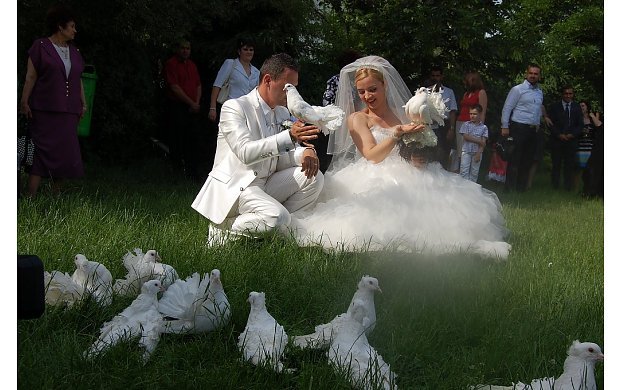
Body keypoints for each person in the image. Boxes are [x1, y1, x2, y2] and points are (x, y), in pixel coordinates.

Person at [291, 56, 511, 259]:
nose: (367, 96)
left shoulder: (405, 112)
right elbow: (372, 155)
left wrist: (420, 154)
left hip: (411, 170)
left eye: (373, 89)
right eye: (361, 92)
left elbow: (426, 142)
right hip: (373, 174)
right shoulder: (358, 119)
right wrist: (396, 135)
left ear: (385, 85)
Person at [191, 53, 324, 245]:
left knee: (314, 176)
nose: (293, 94)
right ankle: (223, 230)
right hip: (239, 187)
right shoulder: (234, 107)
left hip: (266, 182)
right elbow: (245, 153)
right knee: (276, 218)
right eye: (289, 88)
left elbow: (280, 157)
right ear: (268, 80)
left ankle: (283, 235)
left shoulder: (282, 112)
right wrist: (289, 136)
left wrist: (304, 153)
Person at [19, 4, 86, 197]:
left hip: (69, 111)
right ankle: (30, 195)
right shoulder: (40, 46)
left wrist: (83, 103)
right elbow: (30, 77)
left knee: (65, 153)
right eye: (72, 26)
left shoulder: (74, 51)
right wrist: (24, 102)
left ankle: (56, 195)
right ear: (60, 26)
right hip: (44, 109)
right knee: (40, 152)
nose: (75, 30)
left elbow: (77, 78)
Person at [500, 63, 546, 192]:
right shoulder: (517, 89)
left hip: (533, 130)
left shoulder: (539, 92)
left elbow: (537, 110)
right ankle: (508, 189)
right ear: (526, 74)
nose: (533, 76)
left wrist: (538, 124)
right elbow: (507, 108)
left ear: (539, 76)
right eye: (531, 73)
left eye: (535, 74)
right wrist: (505, 126)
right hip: (518, 127)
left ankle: (521, 189)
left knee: (527, 160)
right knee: (514, 158)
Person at [317, 49, 362, 173]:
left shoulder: (337, 80)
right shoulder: (340, 80)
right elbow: (327, 102)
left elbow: (326, 101)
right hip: (342, 122)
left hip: (349, 120)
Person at [163, 38, 203, 180]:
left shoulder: (192, 65)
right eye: (183, 48)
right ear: (177, 49)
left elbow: (198, 85)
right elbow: (174, 87)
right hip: (177, 107)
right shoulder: (171, 64)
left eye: (188, 48)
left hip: (193, 108)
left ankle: (193, 172)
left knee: (193, 140)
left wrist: (196, 103)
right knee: (177, 140)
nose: (185, 51)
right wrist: (191, 103)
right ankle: (177, 173)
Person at [208, 37, 260, 123]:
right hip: (231, 109)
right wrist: (212, 108)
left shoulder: (256, 72)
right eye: (245, 49)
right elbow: (217, 85)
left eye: (251, 50)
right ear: (239, 51)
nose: (249, 52)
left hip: (249, 112)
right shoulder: (230, 64)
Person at [546, 86, 583, 190]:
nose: (568, 95)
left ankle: (568, 187)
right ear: (562, 94)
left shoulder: (576, 107)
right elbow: (550, 124)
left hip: (571, 140)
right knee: (556, 164)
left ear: (573, 95)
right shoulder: (554, 106)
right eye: (566, 93)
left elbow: (580, 125)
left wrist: (573, 134)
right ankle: (555, 186)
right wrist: (559, 134)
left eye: (570, 94)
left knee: (569, 165)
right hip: (557, 140)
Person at [454, 71, 488, 172]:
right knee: (461, 150)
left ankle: (470, 173)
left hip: (472, 124)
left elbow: (483, 111)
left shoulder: (481, 92)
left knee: (471, 149)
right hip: (460, 122)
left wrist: (480, 127)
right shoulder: (466, 93)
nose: (465, 82)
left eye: (468, 80)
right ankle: (461, 171)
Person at [427, 66, 458, 170]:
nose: (436, 78)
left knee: (443, 153)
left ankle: (443, 176)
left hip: (444, 125)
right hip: (429, 125)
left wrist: (452, 129)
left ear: (442, 76)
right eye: (433, 75)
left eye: (438, 75)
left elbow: (453, 111)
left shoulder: (449, 92)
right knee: (430, 152)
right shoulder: (425, 91)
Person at [459, 104, 488, 182]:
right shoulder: (466, 124)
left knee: (474, 173)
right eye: (471, 113)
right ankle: (462, 189)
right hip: (466, 151)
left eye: (475, 114)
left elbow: (483, 142)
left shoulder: (484, 128)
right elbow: (466, 137)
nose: (472, 116)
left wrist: (479, 153)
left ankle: (472, 191)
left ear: (480, 114)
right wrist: (479, 141)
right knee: (464, 171)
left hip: (477, 152)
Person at [582, 107, 603, 198]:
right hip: (599, 144)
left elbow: (598, 125)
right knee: (593, 169)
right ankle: (592, 190)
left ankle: (596, 191)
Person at [574, 100, 596, 188]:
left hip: (590, 148)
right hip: (579, 147)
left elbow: (598, 130)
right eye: (579, 106)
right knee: (578, 169)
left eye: (583, 106)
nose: (581, 108)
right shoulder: (576, 119)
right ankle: (575, 188)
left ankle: (590, 187)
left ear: (587, 107)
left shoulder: (592, 118)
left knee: (590, 169)